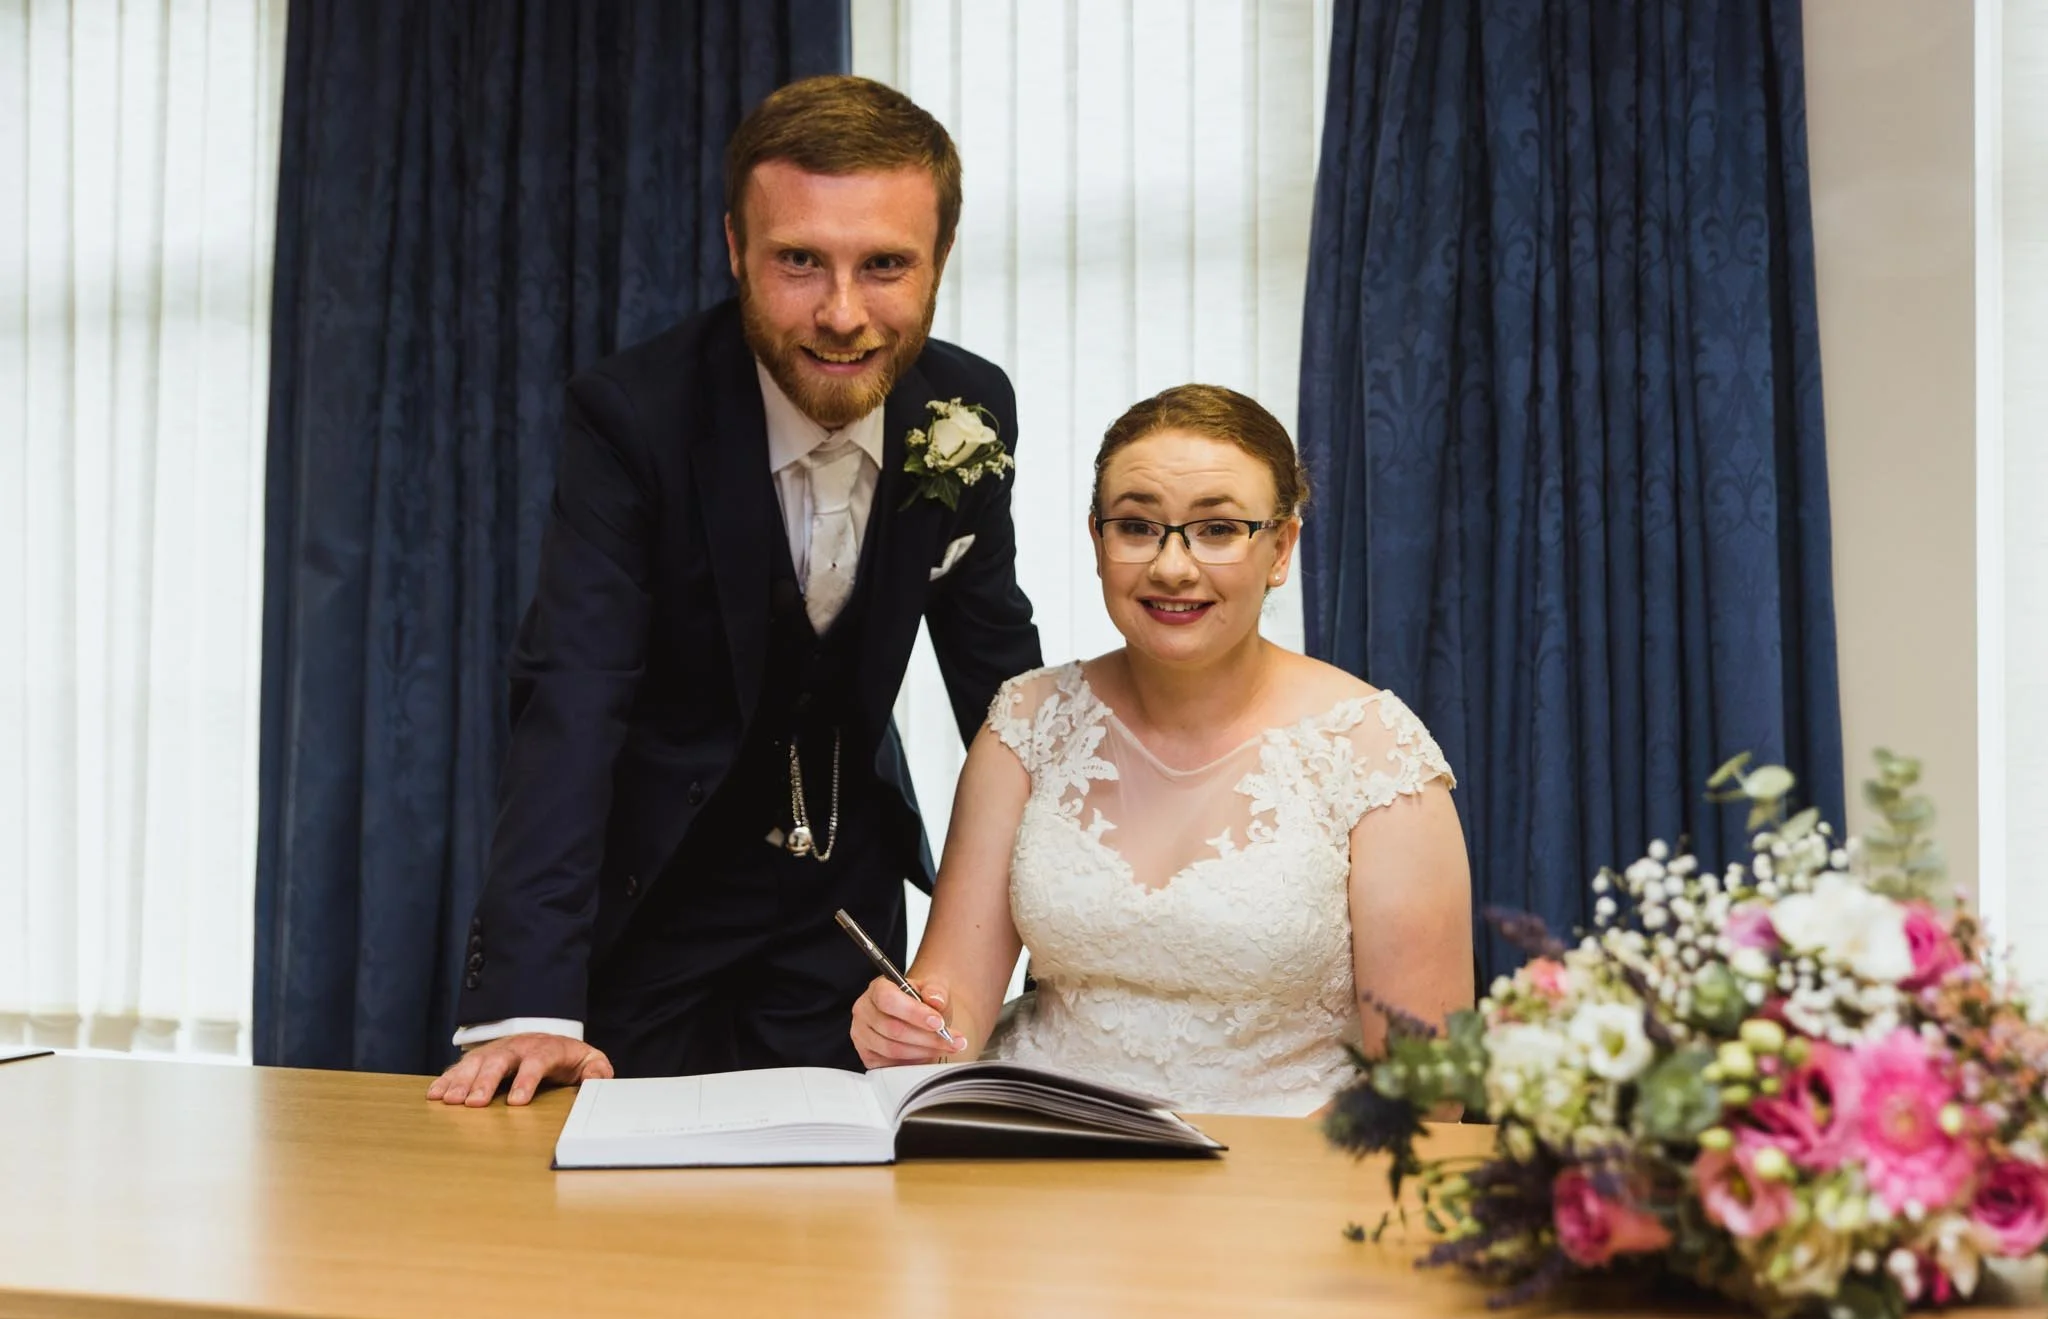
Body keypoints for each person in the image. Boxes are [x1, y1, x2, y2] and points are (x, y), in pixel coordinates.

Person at [429, 76, 1041, 1108]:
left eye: (884, 265)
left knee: (836, 1229)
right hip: (653, 898)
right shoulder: (633, 416)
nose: (842, 315)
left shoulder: (966, 406)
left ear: (937, 262)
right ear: (732, 248)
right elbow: (574, 694)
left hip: (841, 909)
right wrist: (528, 998)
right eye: (799, 260)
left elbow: (1000, 679)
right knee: (627, 1231)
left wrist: (1072, 915)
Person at [850, 385, 1472, 1116]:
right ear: (1097, 541)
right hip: (1038, 1155)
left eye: (1216, 529)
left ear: (1281, 549)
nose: (1172, 567)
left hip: (1283, 1191)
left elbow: (1427, 1096)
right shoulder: (1027, 723)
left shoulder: (1377, 755)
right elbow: (951, 1006)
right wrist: (907, 1027)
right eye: (1139, 526)